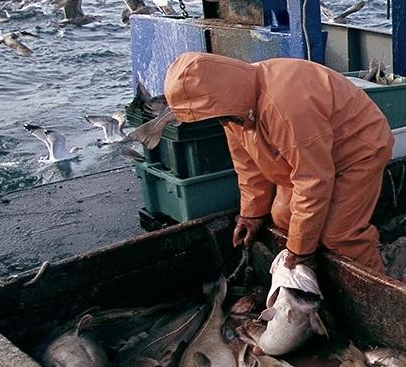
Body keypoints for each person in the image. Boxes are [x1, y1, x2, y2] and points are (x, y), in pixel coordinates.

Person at [163, 52, 393, 272]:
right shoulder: (232, 111)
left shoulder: (285, 105)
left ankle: (379, 290)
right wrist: (251, 214)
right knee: (283, 217)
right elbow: (247, 165)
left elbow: (313, 179)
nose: (219, 121)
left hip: (358, 151)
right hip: (309, 158)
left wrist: (301, 251)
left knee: (338, 236)